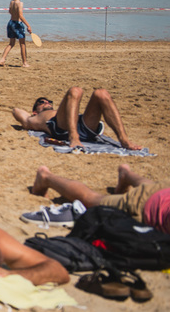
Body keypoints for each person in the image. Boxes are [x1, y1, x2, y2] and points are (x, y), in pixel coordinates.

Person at [28, 164, 169, 233]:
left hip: (163, 194)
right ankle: (46, 178)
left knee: (152, 188)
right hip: (146, 206)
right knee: (91, 200)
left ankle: (126, 174)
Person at [11, 87, 143, 151]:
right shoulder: (33, 119)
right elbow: (16, 111)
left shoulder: (59, 111)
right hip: (61, 127)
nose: (46, 103)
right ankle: (74, 137)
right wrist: (33, 115)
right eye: (41, 102)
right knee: (75, 91)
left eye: (48, 101)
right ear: (35, 111)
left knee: (101, 93)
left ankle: (124, 140)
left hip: (82, 124)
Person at [0, 0, 32, 67]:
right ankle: (25, 63)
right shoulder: (20, 3)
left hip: (11, 23)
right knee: (22, 44)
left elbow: (10, 11)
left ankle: (2, 59)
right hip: (18, 24)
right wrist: (28, 25)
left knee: (11, 43)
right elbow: (20, 15)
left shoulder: (12, 2)